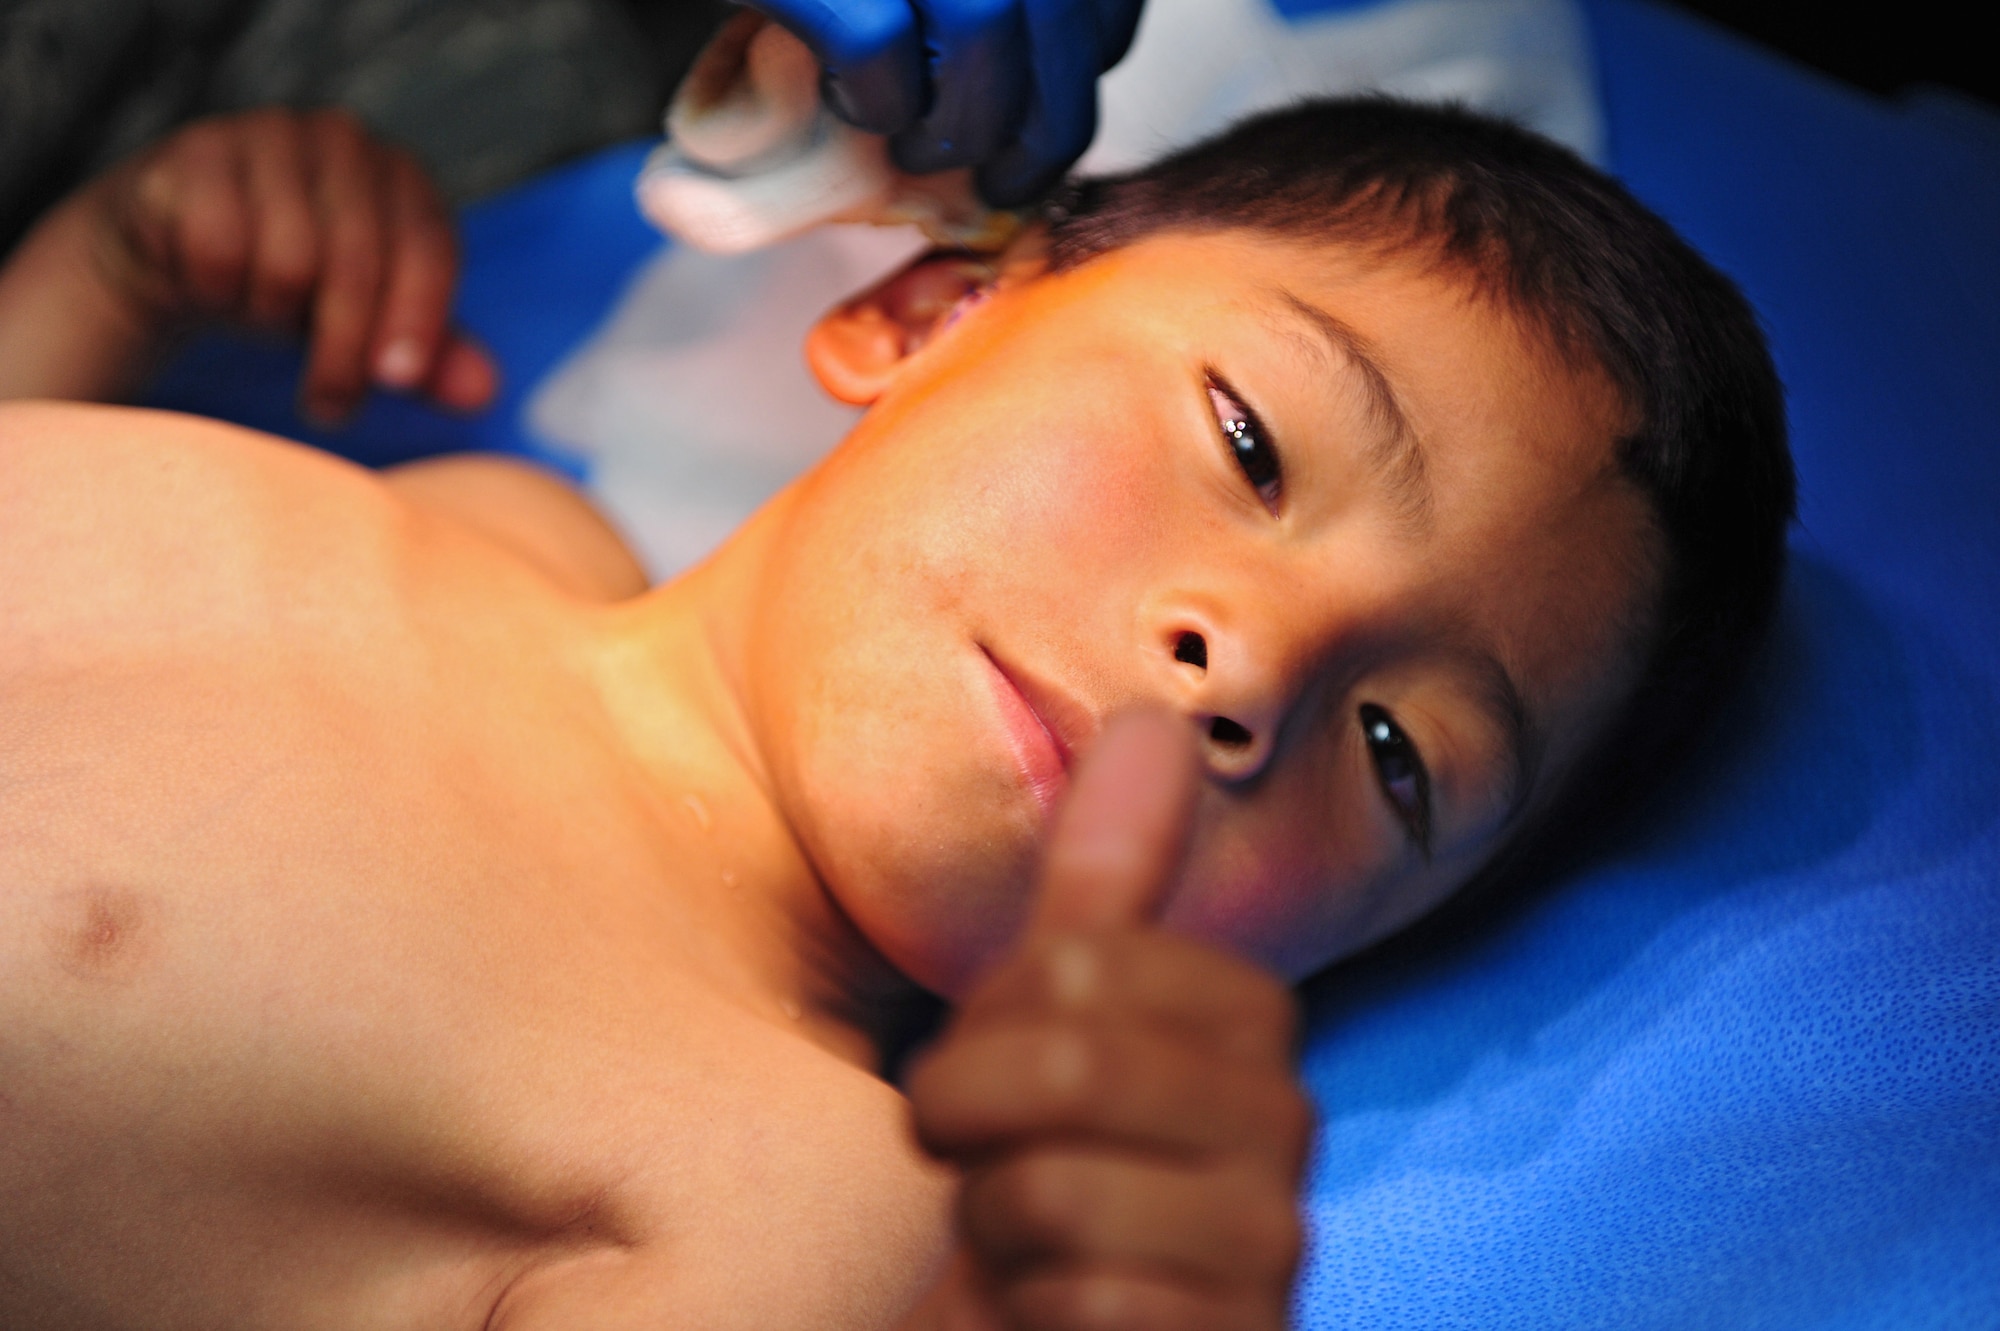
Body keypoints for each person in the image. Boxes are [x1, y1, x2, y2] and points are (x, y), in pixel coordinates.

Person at [0, 93, 1791, 1329]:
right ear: (930, 308)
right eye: (1251, 442)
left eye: (1400, 758)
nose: (1248, 668)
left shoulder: (807, 1204)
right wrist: (103, 280)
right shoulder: (490, 519)